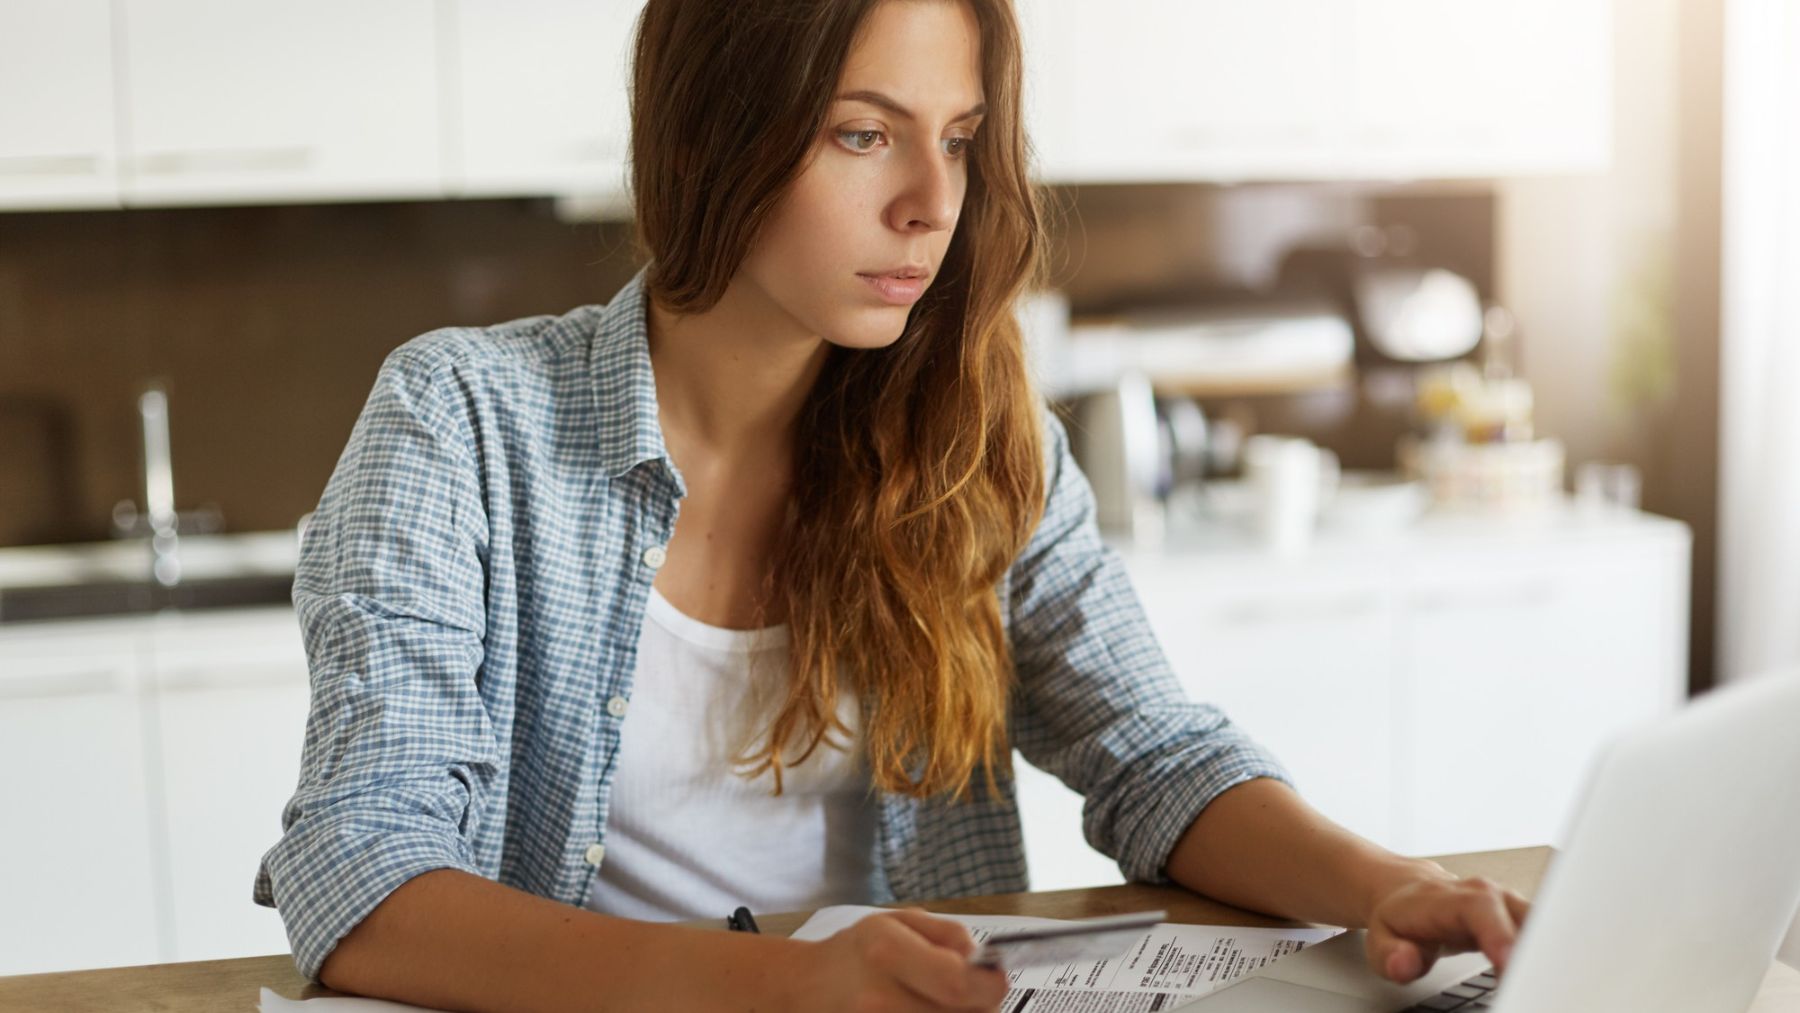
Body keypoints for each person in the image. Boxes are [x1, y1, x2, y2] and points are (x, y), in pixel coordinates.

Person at [254, 0, 1530, 1010]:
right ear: (714, 134)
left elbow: (1151, 754)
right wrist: (790, 989)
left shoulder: (977, 435)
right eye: (864, 133)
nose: (932, 199)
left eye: (960, 137)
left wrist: (1390, 887)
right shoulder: (462, 420)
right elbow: (366, 877)